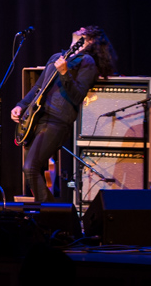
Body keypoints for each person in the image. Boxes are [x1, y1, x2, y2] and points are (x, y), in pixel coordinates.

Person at [11, 25, 117, 203]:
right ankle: (45, 218)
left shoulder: (87, 62)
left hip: (57, 121)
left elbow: (77, 96)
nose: (79, 28)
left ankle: (55, 218)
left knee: (30, 168)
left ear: (89, 41)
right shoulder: (56, 57)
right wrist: (21, 105)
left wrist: (65, 73)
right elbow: (38, 87)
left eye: (84, 31)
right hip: (36, 117)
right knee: (31, 171)